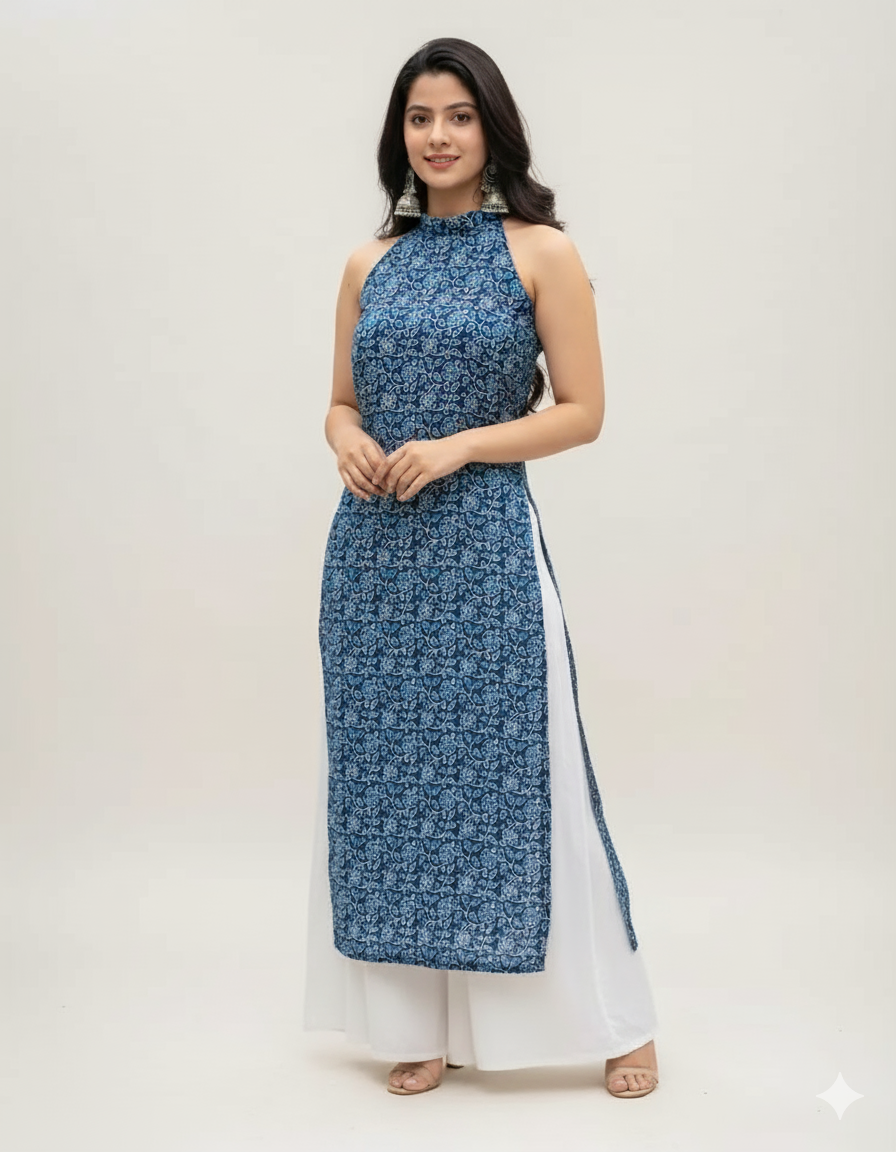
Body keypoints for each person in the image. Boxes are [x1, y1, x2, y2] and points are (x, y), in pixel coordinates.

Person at [303, 37, 661, 1099]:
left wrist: (460, 446)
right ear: (398, 135)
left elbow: (583, 413)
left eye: (458, 115)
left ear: (491, 128)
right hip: (374, 560)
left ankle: (618, 1022)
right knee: (393, 795)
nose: (438, 136)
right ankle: (420, 1025)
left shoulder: (541, 252)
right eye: (419, 117)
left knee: (528, 784)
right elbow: (340, 401)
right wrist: (345, 440)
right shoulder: (368, 263)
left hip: (485, 549)